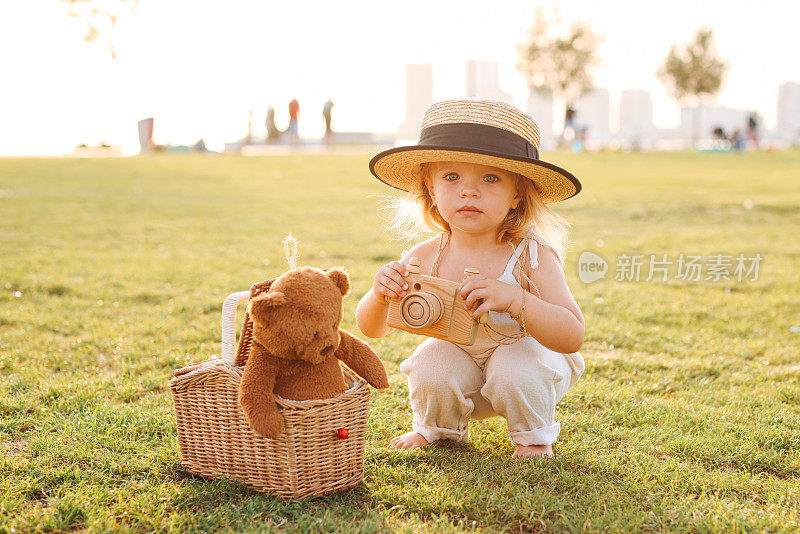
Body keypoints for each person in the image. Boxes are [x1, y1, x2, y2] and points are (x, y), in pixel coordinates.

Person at [357, 98, 585, 459]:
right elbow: (373, 329)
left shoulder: (531, 256)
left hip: (523, 365)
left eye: (490, 178)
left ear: (517, 194)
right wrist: (379, 293)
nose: (469, 190)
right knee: (432, 362)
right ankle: (439, 428)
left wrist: (514, 299)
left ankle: (533, 437)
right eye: (451, 177)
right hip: (461, 369)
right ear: (431, 189)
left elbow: (572, 335)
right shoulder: (425, 256)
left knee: (516, 368)